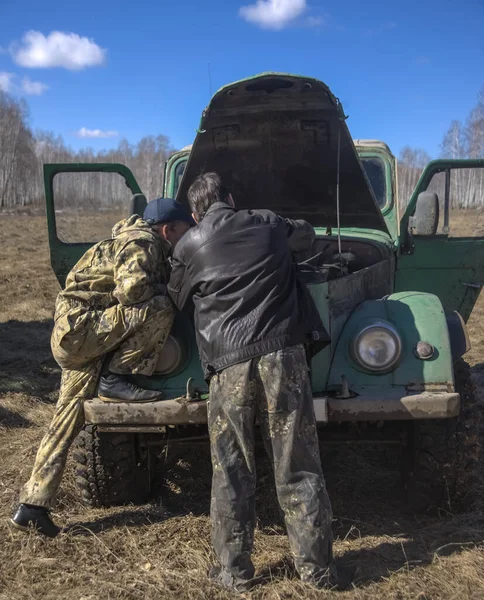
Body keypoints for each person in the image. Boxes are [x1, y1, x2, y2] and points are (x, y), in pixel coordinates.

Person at [168, 173, 337, 591]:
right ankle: (317, 572)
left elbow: (176, 297)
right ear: (231, 197)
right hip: (283, 356)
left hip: (228, 367)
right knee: (297, 463)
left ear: (194, 213)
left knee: (230, 469)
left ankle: (233, 572)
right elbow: (306, 236)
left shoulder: (188, 245)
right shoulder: (264, 220)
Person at [11, 198, 194, 538]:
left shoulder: (125, 239)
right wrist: (167, 289)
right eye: (185, 230)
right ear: (169, 228)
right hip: (84, 331)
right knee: (159, 307)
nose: (187, 237)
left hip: (79, 335)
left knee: (66, 419)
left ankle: (33, 505)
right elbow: (132, 291)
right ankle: (116, 376)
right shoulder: (144, 241)